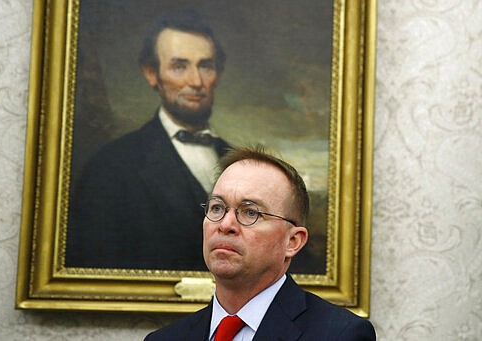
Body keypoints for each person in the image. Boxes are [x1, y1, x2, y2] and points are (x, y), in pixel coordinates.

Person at [144, 146, 376, 340]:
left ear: (293, 241)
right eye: (217, 208)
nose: (225, 224)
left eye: (250, 212)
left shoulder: (340, 335)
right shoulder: (164, 339)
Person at [65, 11, 230, 270]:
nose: (196, 81)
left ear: (217, 74)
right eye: (179, 66)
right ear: (151, 73)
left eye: (205, 66)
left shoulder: (237, 159)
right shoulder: (111, 166)